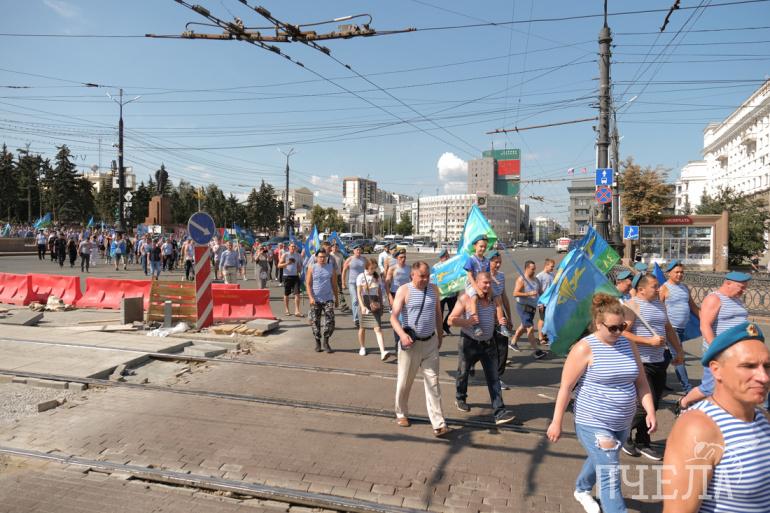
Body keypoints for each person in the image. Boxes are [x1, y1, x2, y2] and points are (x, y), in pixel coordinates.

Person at [547, 294, 656, 513]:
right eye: (613, 328)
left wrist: (650, 410)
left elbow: (641, 381)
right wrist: (556, 422)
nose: (619, 332)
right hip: (592, 420)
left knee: (604, 458)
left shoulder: (628, 343)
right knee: (610, 469)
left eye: (622, 326)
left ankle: (582, 489)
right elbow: (566, 387)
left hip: (622, 422)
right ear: (598, 324)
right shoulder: (584, 348)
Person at [662, 321, 770, 513]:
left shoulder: (762, 418)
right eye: (749, 366)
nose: (764, 377)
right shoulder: (698, 428)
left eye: (767, 366)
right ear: (716, 370)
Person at [621, 273, 684, 460]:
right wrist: (648, 341)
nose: (659, 289)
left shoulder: (659, 304)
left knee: (653, 404)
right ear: (641, 290)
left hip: (659, 360)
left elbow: (668, 328)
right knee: (644, 405)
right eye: (654, 286)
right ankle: (622, 433)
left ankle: (643, 441)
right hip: (640, 361)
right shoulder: (632, 305)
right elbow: (622, 333)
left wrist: (679, 350)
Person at [448, 271, 516, 425]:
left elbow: (495, 318)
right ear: (477, 283)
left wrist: (500, 322)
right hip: (469, 343)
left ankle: (499, 411)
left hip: (488, 343)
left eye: (489, 283)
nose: (487, 285)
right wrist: (468, 322)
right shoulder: (466, 298)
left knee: (494, 378)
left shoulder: (493, 299)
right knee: (463, 373)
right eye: (485, 283)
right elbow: (451, 320)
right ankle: (460, 398)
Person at [677, 271, 751, 412]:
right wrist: (716, 349)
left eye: (745, 287)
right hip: (717, 351)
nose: (743, 291)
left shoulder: (736, 299)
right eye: (741, 287)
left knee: (734, 384)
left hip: (735, 351)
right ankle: (683, 402)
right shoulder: (714, 299)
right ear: (728, 283)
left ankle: (722, 412)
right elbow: (705, 326)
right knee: (709, 387)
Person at [391, 261, 449, 438]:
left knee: (433, 382)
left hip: (430, 343)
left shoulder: (434, 289)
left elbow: (438, 313)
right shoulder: (404, 290)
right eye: (422, 276)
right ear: (412, 275)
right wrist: (402, 335)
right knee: (404, 382)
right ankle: (401, 413)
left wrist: (439, 335)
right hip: (411, 344)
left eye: (427, 276)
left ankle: (438, 423)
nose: (425, 279)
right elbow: (393, 318)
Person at [658, 260, 699, 393]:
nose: (680, 274)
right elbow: (658, 308)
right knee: (678, 356)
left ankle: (658, 381)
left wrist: (705, 319)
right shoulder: (664, 288)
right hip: (671, 329)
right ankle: (687, 389)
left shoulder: (684, 288)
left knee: (666, 357)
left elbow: (693, 307)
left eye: (682, 272)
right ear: (669, 273)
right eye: (677, 272)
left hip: (682, 329)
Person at [356, 258, 394, 361]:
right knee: (362, 327)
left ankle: (383, 352)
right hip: (365, 302)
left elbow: (380, 292)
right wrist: (362, 306)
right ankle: (362, 347)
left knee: (377, 328)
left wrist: (381, 305)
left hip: (375, 303)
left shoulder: (377, 277)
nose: (373, 270)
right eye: (371, 268)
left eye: (374, 268)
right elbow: (358, 293)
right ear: (366, 267)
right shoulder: (361, 276)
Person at [511, 260, 547, 359]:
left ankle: (513, 342)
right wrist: (528, 294)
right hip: (523, 307)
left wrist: (541, 303)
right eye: (532, 269)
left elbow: (540, 293)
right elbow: (515, 293)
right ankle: (537, 351)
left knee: (523, 326)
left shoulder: (536, 280)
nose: (534, 271)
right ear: (526, 268)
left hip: (532, 308)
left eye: (534, 269)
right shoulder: (521, 280)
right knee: (530, 328)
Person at [488, 251, 513, 390]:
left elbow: (504, 297)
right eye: (495, 262)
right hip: (485, 313)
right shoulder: (482, 275)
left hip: (500, 314)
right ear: (489, 262)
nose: (498, 265)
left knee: (502, 346)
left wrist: (509, 317)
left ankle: (497, 377)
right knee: (482, 346)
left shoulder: (501, 276)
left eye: (499, 262)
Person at [306, 249, 339, 353]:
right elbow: (308, 284)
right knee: (315, 322)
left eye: (324, 257)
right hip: (315, 299)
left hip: (328, 298)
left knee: (330, 321)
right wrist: (311, 297)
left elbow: (334, 284)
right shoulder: (312, 268)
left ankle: (326, 342)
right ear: (316, 258)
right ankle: (318, 342)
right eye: (320, 257)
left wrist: (336, 298)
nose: (322, 259)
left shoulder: (331, 268)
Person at [342, 244, 367, 328]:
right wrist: (343, 282)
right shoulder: (349, 259)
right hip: (352, 282)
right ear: (354, 251)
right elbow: (344, 271)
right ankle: (356, 319)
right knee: (355, 300)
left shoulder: (364, 259)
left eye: (360, 250)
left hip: (362, 283)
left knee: (363, 300)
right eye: (357, 250)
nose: (358, 251)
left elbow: (368, 269)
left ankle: (362, 317)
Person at [437, 249, 458, 335]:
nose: (447, 257)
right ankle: (440, 330)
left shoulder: (452, 266)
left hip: (452, 293)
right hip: (441, 294)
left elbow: (457, 278)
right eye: (445, 256)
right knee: (440, 313)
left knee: (454, 312)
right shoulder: (437, 267)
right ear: (441, 258)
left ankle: (445, 326)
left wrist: (457, 291)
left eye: (447, 256)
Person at [279, 242, 303, 317]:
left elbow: (300, 265)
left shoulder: (298, 255)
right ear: (288, 247)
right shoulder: (285, 255)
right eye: (292, 246)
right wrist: (287, 263)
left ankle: (297, 311)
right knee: (286, 294)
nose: (293, 248)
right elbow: (279, 265)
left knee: (297, 294)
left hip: (295, 276)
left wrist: (299, 268)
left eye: (294, 246)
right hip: (287, 276)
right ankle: (287, 310)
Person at [535, 258, 556, 344]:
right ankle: (540, 337)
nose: (552, 268)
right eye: (551, 266)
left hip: (550, 302)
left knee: (549, 319)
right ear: (546, 265)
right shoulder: (540, 276)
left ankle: (545, 335)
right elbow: (537, 290)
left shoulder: (552, 275)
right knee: (542, 319)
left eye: (553, 267)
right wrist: (540, 303)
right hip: (543, 302)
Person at [329, 242, 349, 312]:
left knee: (340, 290)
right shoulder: (329, 255)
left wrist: (343, 273)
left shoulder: (340, 255)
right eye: (333, 247)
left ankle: (343, 305)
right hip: (330, 276)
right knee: (330, 290)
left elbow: (343, 266)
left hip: (338, 275)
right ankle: (330, 304)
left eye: (336, 247)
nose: (335, 248)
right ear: (331, 248)